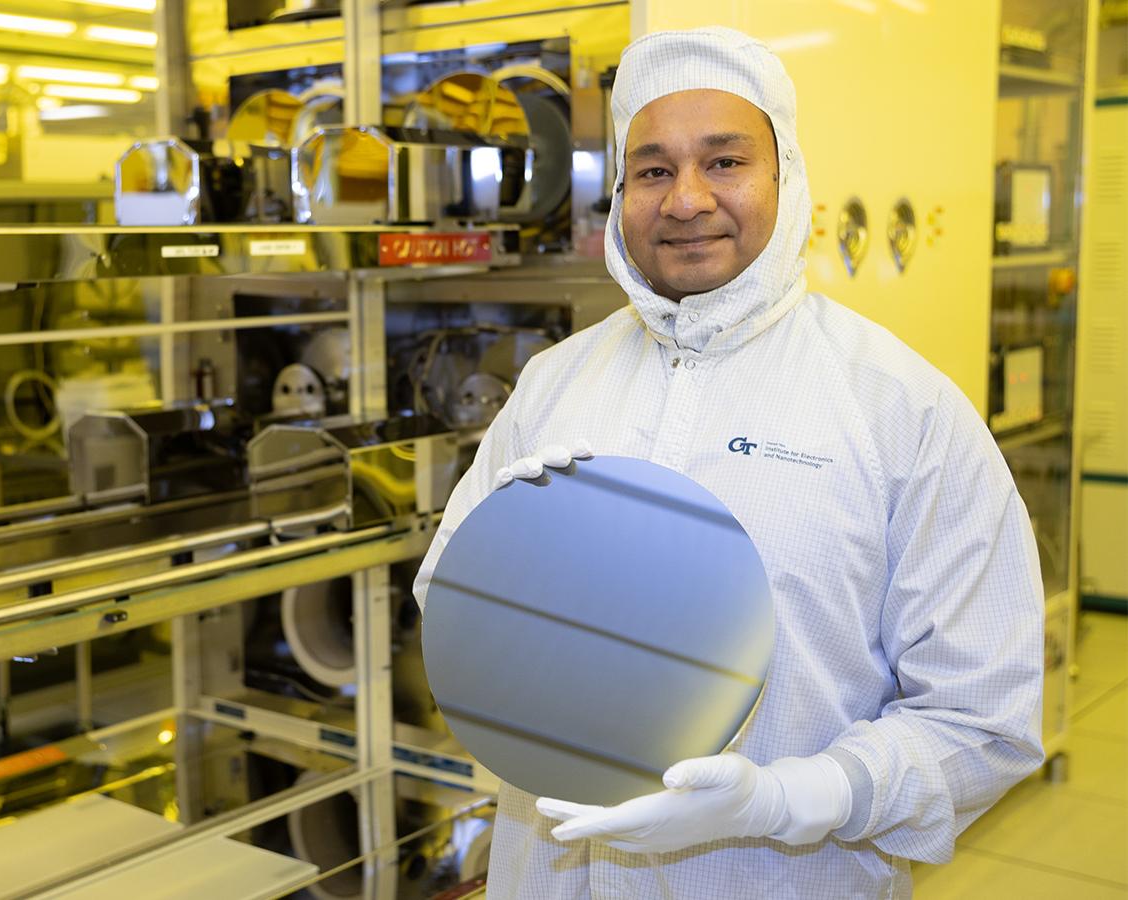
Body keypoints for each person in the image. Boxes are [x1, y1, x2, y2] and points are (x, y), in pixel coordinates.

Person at [413, 27, 1043, 899]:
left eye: (726, 161)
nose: (687, 200)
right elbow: (448, 605)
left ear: (787, 176)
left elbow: (984, 719)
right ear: (622, 191)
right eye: (654, 170)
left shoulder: (902, 409)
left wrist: (784, 802)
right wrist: (506, 561)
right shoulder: (556, 384)